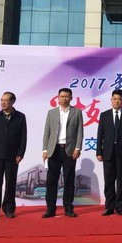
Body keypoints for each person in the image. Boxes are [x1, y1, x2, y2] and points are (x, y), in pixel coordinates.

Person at [42, 87, 84, 218]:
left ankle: (68, 208)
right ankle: (50, 209)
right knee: (51, 181)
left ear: (71, 98)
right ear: (58, 98)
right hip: (53, 150)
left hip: (69, 150)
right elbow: (47, 132)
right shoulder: (52, 113)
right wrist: (45, 149)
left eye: (67, 96)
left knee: (69, 180)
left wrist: (78, 148)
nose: (64, 99)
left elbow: (80, 132)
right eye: (62, 96)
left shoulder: (77, 112)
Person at [0, 92, 27, 219]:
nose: (3, 102)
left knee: (10, 183)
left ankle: (9, 209)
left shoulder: (20, 117)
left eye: (6, 100)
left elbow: (23, 138)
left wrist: (20, 153)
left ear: (12, 101)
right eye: (2, 100)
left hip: (13, 156)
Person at [96, 89, 122, 216]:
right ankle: (109, 207)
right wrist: (99, 152)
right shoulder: (104, 115)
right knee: (108, 181)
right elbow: (100, 135)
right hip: (107, 153)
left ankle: (120, 207)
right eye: (114, 99)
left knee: (121, 181)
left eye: (119, 99)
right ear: (111, 100)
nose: (116, 101)